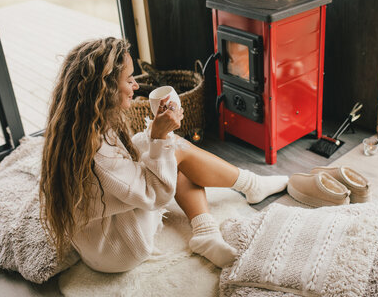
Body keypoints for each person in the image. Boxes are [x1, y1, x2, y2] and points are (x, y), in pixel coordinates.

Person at [39, 37, 288, 273]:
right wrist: (160, 138)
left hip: (94, 238)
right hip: (118, 246)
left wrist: (156, 139)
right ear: (105, 88)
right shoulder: (98, 154)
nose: (136, 85)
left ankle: (207, 233)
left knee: (155, 146)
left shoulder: (77, 127)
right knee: (171, 151)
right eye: (129, 79)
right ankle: (247, 188)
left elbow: (128, 169)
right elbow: (155, 194)